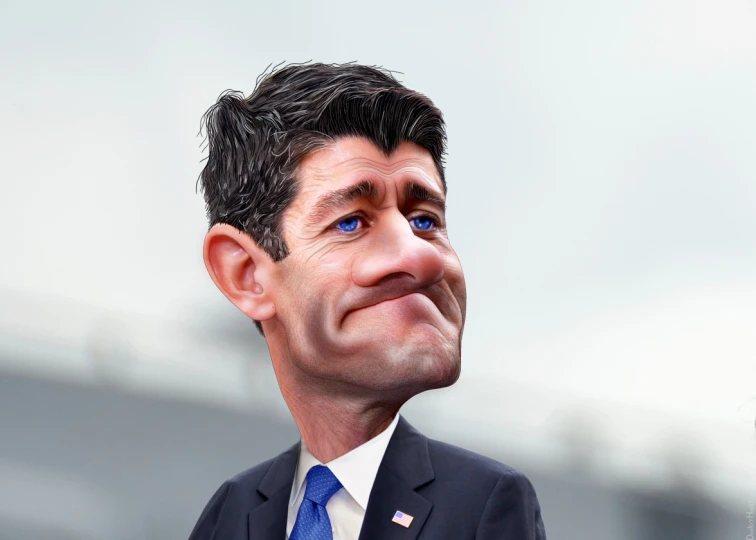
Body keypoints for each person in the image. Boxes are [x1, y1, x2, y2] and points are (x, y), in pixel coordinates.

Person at [188, 63, 547, 540]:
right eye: (351, 222)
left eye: (424, 220)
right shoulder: (231, 514)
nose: (419, 257)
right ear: (247, 274)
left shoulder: (483, 501)